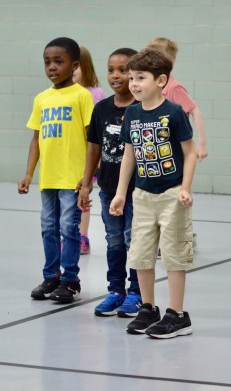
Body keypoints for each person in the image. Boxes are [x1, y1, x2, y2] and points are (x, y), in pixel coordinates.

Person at [110, 48, 198, 339]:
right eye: (132, 78)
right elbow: (129, 154)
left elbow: (190, 153)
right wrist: (121, 193)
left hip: (172, 194)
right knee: (141, 254)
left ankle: (177, 315)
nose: (134, 83)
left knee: (174, 254)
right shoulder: (132, 113)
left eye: (141, 78)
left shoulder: (174, 113)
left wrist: (185, 188)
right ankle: (148, 308)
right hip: (143, 195)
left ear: (161, 81)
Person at [18, 37, 94, 303]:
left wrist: (87, 178)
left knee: (68, 228)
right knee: (48, 227)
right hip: (48, 178)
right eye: (47, 62)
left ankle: (70, 279)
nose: (52, 67)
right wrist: (29, 174)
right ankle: (51, 276)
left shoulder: (82, 96)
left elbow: (92, 140)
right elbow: (36, 139)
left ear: (74, 66)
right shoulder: (42, 98)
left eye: (58, 61)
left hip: (72, 178)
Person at [78, 48, 144, 318]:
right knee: (114, 240)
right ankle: (116, 291)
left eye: (123, 70)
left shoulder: (141, 109)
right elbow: (93, 147)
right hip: (107, 189)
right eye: (111, 70)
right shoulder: (102, 109)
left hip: (136, 190)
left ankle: (137, 292)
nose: (116, 75)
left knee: (134, 240)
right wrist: (86, 183)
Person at [143, 38, 208, 161]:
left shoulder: (174, 88)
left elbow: (195, 111)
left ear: (170, 62)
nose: (151, 64)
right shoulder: (150, 87)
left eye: (156, 60)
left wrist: (202, 144)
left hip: (174, 148)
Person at [73, 46, 107, 255]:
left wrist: (100, 156)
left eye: (77, 66)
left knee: (83, 194)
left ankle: (82, 235)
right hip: (70, 156)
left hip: (88, 156)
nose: (72, 71)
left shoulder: (96, 94)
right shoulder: (62, 94)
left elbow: (101, 126)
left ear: (85, 67)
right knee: (68, 196)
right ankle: (69, 233)